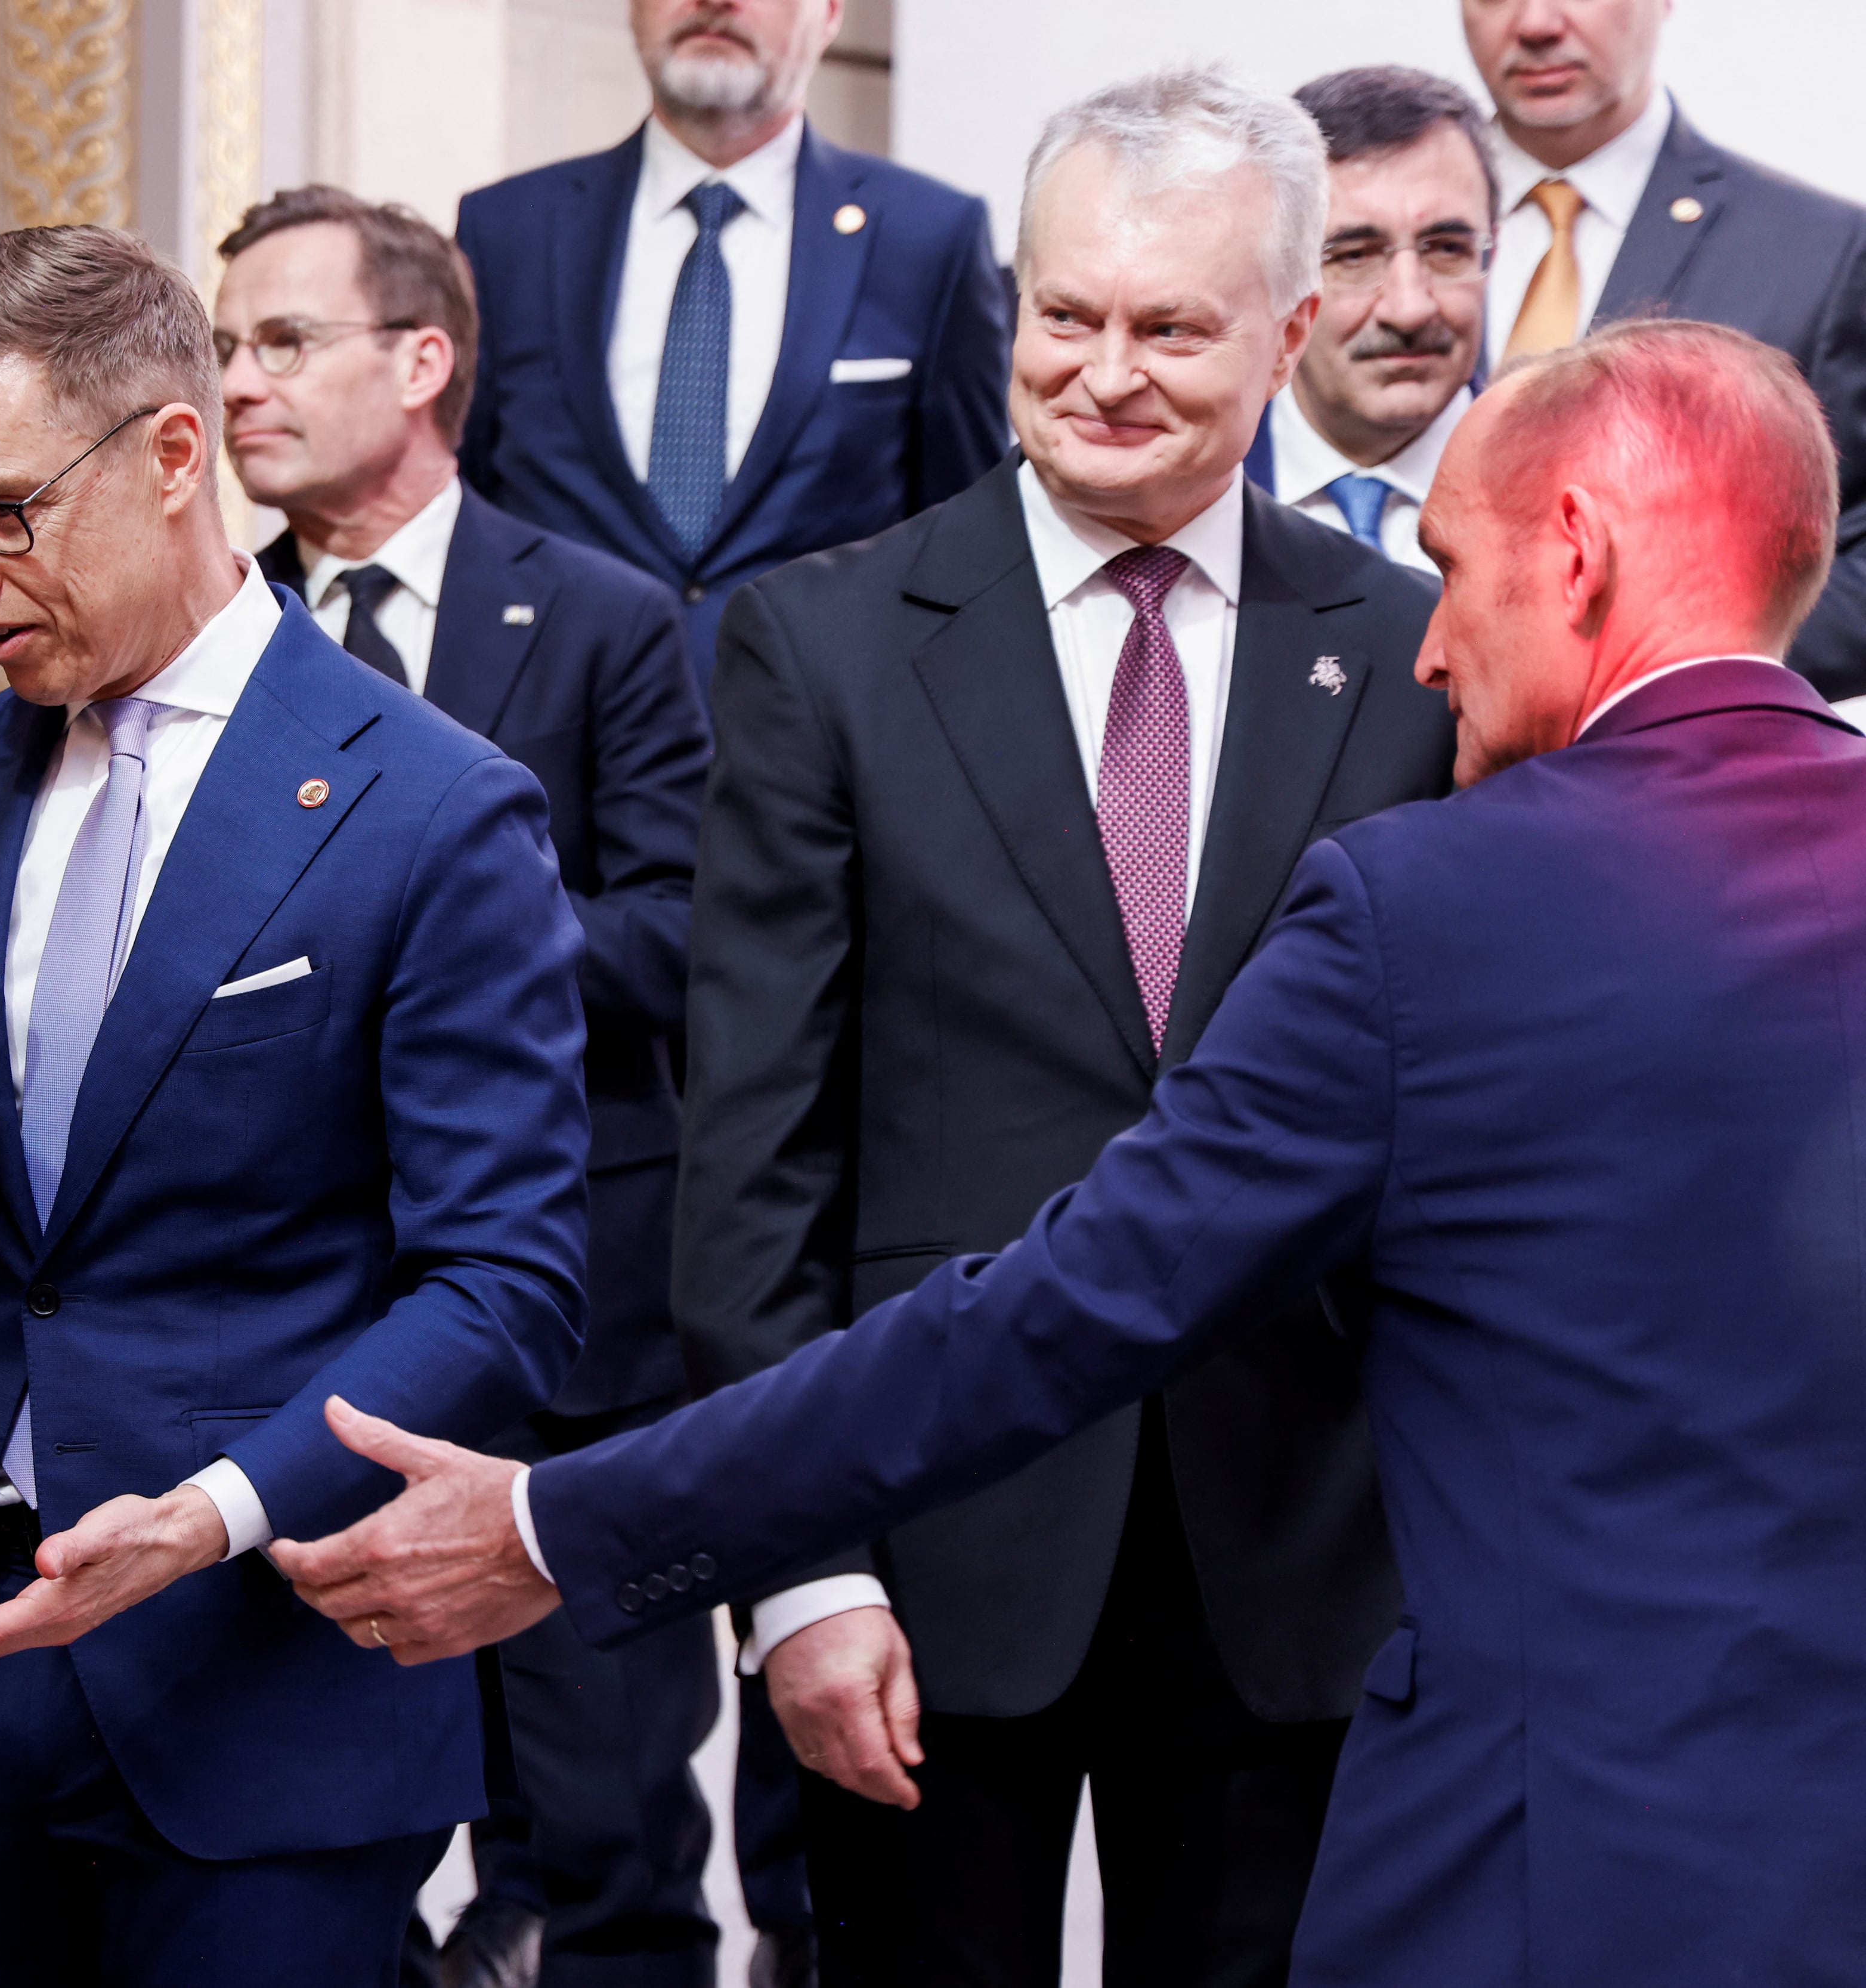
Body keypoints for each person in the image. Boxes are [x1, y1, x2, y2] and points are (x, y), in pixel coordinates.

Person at [277, 315, 1866, 1988]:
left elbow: (1057, 1311)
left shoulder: (1426, 905)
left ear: (1578, 553)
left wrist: (561, 1523)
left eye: (1458, 569)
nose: (1429, 650)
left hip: (1542, 1862)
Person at [0, 225, 591, 1987]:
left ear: (177, 457)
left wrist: (214, 1507)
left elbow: (505, 1288)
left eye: (1, 508)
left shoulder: (432, 809)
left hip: (263, 1681)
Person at [614, 69, 1457, 1986]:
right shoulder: (817, 643)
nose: (1105, 373)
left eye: (1171, 328)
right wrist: (800, 1571)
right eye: (1065, 315)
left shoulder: (1412, 651)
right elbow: (751, 1158)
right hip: (921, 1543)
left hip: (1302, 1554)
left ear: (1288, 330)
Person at [215, 184, 716, 1988]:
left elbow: (676, 939)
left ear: (420, 361)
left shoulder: (599, 618)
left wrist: (413, 949)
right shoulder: (209, 649)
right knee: (303, 1853)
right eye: (226, 346)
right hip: (284, 1352)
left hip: (569, 1330)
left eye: (282, 341)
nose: (236, 386)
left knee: (602, 1841)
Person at [453, 0, 1010, 696]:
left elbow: (966, 541)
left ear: (830, 13)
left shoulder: (927, 239)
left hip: (817, 747)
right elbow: (461, 507)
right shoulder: (506, 231)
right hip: (554, 742)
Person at [1461, 0, 1866, 697]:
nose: (1534, 23)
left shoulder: (1818, 254)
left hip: (1669, 776)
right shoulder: (1345, 226)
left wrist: (1655, 680)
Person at [1247, 68, 1498, 574]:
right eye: (1355, 256)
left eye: (1448, 250)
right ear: (1277, 273)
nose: (1410, 309)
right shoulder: (1188, 491)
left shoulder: (1569, 492)